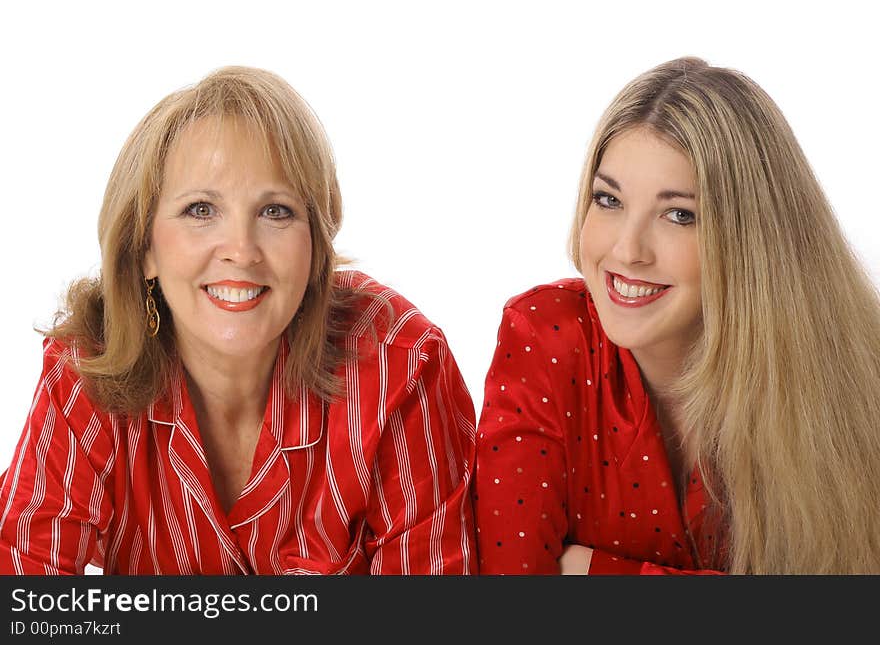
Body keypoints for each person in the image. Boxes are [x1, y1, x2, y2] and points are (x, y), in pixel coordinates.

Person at [0, 66, 477, 575]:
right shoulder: (88, 372)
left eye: (276, 211)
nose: (242, 252)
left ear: (315, 245)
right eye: (200, 209)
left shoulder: (399, 361)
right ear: (144, 249)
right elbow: (27, 599)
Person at [473, 56, 880, 574]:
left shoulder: (844, 380)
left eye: (678, 214)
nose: (627, 249)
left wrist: (590, 570)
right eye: (608, 199)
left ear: (753, 241)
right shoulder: (545, 335)